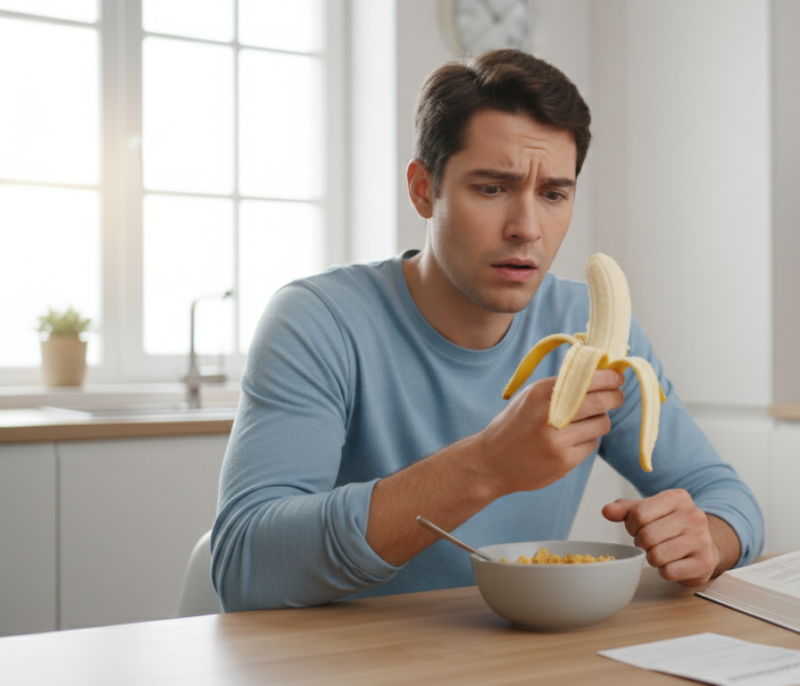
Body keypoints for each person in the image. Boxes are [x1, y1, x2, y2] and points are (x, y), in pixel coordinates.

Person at [212, 49, 763, 611]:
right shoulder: (317, 320)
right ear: (424, 189)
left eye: (553, 194)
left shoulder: (589, 329)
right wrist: (485, 466)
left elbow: (727, 498)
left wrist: (709, 538)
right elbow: (246, 565)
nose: (527, 229)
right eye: (493, 188)